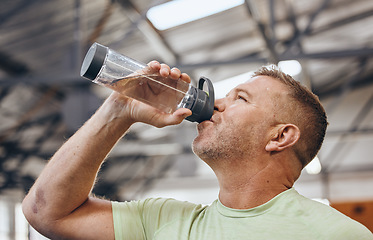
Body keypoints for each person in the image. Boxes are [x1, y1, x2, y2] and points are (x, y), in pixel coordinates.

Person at [22, 61, 373, 240]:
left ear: (280, 137)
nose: (217, 103)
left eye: (241, 98)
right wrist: (118, 111)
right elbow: (46, 212)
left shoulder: (336, 234)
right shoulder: (163, 220)